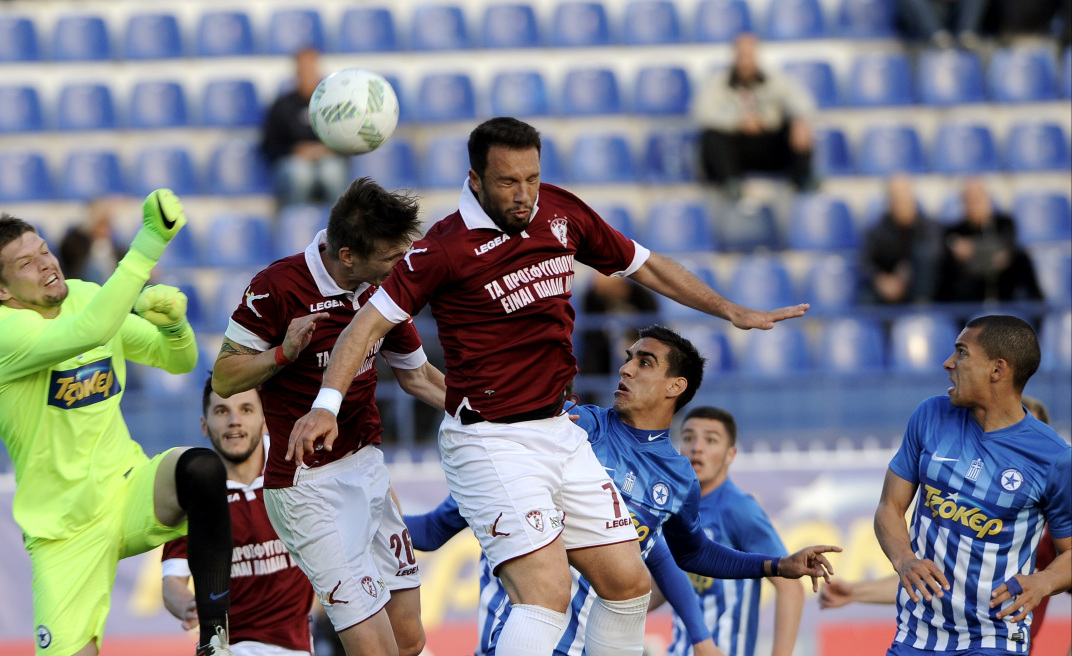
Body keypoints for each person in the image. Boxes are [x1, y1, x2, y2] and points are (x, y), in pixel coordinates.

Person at [291, 116, 813, 656]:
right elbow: (363, 327)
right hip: (490, 439)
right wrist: (327, 404)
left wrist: (729, 309)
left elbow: (646, 267)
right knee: (547, 594)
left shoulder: (561, 213)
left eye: (532, 179)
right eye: (508, 182)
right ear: (475, 180)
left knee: (628, 585)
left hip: (559, 430)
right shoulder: (443, 249)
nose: (524, 195)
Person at [405, 326, 838, 656]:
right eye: (629, 359)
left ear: (675, 386)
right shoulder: (573, 427)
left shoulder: (678, 479)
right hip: (525, 636)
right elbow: (436, 528)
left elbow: (687, 554)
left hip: (597, 643)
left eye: (645, 362)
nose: (626, 369)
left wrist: (777, 565)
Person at [0, 190, 235, 655]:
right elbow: (91, 331)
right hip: (63, 532)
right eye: (26, 264)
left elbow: (177, 360)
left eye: (44, 251)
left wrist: (174, 326)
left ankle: (214, 638)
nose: (46, 264)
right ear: (1, 291)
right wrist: (150, 241)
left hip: (128, 490)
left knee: (202, 469)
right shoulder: (5, 337)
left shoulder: (86, 297)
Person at [210, 177, 447, 656]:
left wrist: (501, 413)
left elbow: (419, 377)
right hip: (307, 489)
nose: (400, 266)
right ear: (347, 256)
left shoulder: (382, 290)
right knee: (375, 651)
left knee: (409, 639)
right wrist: (282, 353)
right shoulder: (277, 287)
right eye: (390, 258)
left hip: (368, 470)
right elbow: (224, 376)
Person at [874, 315, 1071, 654]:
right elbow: (889, 507)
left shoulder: (1053, 457)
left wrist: (1043, 581)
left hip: (995, 636)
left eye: (962, 352)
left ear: (997, 369)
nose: (948, 363)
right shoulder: (930, 415)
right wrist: (904, 558)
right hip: (916, 634)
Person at [820, 396, 1069, 652]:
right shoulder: (961, 514)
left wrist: (1045, 583)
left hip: (997, 642)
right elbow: (932, 581)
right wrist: (856, 591)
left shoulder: (1053, 532)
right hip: (925, 638)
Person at [162, 378, 315, 655]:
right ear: (204, 425)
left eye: (246, 409)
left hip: (297, 646)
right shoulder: (195, 489)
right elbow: (172, 581)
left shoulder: (299, 467)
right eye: (222, 411)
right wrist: (188, 605)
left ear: (265, 420)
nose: (234, 421)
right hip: (230, 646)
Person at [666, 407, 807, 656]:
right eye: (688, 438)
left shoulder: (739, 508)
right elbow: (667, 580)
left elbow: (790, 587)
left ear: (730, 454)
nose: (696, 447)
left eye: (710, 440)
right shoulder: (675, 507)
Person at [694, 33, 817, 200]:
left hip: (767, 147)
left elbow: (801, 101)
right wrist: (738, 122)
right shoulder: (717, 83)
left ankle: (803, 178)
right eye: (741, 55)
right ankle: (730, 184)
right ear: (734, 56)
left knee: (798, 127)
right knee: (711, 136)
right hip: (734, 149)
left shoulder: (776, 80)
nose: (745, 61)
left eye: (749, 55)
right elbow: (703, 114)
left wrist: (799, 120)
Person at [260, 47, 349, 209]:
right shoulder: (281, 105)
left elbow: (348, 140)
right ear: (296, 72)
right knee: (300, 174)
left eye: (311, 67)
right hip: (293, 162)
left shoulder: (333, 104)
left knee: (332, 173)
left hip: (328, 159)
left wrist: (327, 150)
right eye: (303, 68)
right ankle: (295, 220)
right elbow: (269, 145)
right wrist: (294, 151)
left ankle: (340, 222)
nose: (307, 73)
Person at [935, 179, 1044, 303]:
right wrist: (992, 256)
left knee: (1021, 258)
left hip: (1003, 289)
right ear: (963, 204)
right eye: (970, 200)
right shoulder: (954, 230)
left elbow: (1007, 249)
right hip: (970, 293)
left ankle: (1038, 308)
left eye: (979, 199)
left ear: (988, 200)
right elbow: (955, 262)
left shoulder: (1004, 223)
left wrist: (972, 250)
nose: (975, 205)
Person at [860, 175, 941, 306]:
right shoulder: (878, 230)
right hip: (888, 288)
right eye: (896, 199)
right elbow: (865, 263)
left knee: (923, 255)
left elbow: (935, 254)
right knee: (866, 298)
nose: (901, 204)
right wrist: (881, 280)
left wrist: (907, 272)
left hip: (919, 287)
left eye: (904, 198)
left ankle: (921, 310)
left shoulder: (928, 226)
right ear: (889, 202)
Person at [59, 197, 127, 284]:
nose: (103, 230)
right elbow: (69, 260)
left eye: (106, 224)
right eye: (99, 224)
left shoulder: (119, 252)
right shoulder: (76, 245)